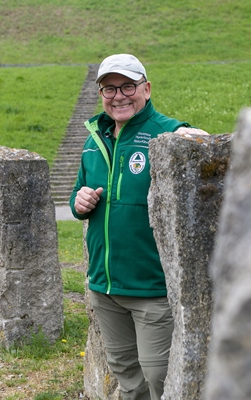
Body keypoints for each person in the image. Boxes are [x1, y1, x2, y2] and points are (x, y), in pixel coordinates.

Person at [69, 54, 209, 400]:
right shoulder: (94, 139)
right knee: (126, 372)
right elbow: (77, 194)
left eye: (128, 86)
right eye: (109, 88)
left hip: (151, 288)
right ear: (100, 93)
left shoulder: (165, 132)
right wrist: (79, 202)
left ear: (146, 89)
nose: (119, 96)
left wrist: (193, 137)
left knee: (159, 374)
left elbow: (200, 147)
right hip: (105, 286)